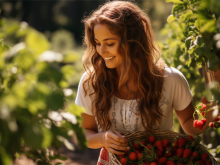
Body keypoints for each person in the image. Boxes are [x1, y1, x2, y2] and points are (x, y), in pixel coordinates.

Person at [75, 1, 219, 164]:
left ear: (133, 42)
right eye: (97, 43)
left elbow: (188, 125)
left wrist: (206, 118)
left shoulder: (171, 80)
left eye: (110, 43)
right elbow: (85, 133)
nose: (101, 50)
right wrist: (103, 138)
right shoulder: (91, 82)